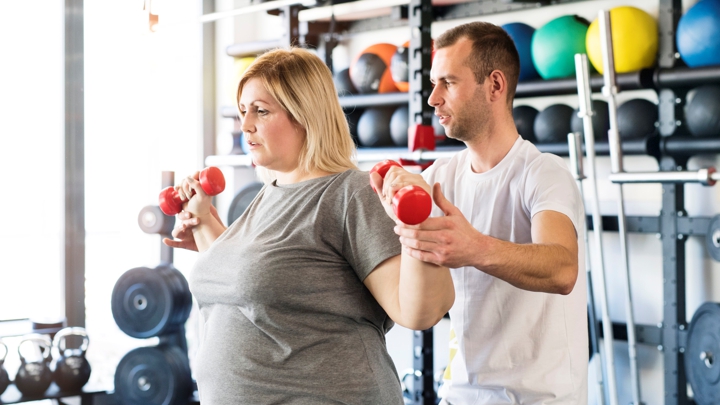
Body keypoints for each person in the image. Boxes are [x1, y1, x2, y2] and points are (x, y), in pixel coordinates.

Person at [163, 47, 454, 404]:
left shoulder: (350, 194)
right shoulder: (270, 192)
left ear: (305, 114)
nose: (245, 125)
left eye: (261, 111)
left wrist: (421, 222)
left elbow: (421, 310)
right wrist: (204, 219)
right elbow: (248, 292)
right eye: (243, 111)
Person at [371, 22, 588, 404]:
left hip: (538, 398)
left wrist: (475, 248)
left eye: (448, 83)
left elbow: (563, 268)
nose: (433, 99)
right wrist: (395, 200)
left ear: (495, 86)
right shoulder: (439, 178)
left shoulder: (543, 173)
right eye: (434, 83)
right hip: (461, 394)